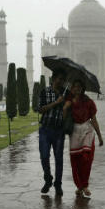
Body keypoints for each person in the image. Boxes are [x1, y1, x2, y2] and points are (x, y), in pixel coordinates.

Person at [63, 79, 103, 198]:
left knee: (86, 159)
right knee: (75, 161)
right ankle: (79, 186)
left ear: (82, 88)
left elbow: (94, 120)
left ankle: (85, 185)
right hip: (74, 132)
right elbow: (64, 118)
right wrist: (65, 108)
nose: (77, 89)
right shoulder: (68, 101)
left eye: (79, 86)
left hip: (87, 131)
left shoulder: (89, 102)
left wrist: (100, 136)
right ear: (72, 88)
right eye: (75, 86)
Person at [38, 68, 68, 196]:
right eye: (59, 79)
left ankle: (58, 184)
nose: (61, 81)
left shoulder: (66, 93)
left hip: (59, 131)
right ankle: (48, 179)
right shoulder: (45, 91)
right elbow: (40, 109)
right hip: (45, 129)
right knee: (44, 156)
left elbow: (68, 112)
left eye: (63, 79)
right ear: (53, 78)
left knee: (59, 159)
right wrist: (56, 102)